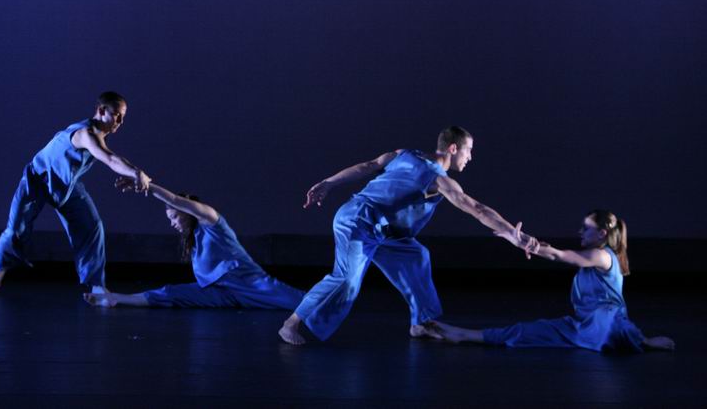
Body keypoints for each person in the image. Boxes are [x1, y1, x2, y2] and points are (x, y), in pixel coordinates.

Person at [278, 126, 532, 345]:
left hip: (385, 230)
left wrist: (329, 183)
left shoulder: (405, 154)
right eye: (469, 150)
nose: (470, 157)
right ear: (453, 149)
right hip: (358, 221)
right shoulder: (439, 180)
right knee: (346, 279)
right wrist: (512, 234)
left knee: (416, 256)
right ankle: (291, 323)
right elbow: (477, 208)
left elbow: (369, 166)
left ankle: (422, 323)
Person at [427, 211, 675, 352]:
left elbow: (562, 256)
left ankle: (642, 340)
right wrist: (530, 243)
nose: (580, 231)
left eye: (586, 228)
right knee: (526, 330)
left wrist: (529, 245)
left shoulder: (602, 256)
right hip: (581, 325)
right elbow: (553, 251)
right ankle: (465, 335)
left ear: (602, 233)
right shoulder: (595, 255)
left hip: (607, 324)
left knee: (608, 324)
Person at [0, 92, 151, 294]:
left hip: (67, 185)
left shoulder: (99, 136)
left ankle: (96, 285)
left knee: (92, 226)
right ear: (101, 110)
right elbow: (109, 159)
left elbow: (112, 157)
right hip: (37, 179)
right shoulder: (86, 134)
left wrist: (134, 173)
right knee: (16, 230)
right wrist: (135, 172)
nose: (120, 121)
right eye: (116, 115)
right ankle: (0, 267)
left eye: (123, 116)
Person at [84, 178, 305, 310]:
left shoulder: (212, 222)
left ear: (187, 212)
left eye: (174, 217)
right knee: (170, 293)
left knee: (302, 303)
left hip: (248, 283)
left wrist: (146, 186)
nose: (172, 223)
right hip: (220, 292)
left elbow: (175, 200)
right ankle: (114, 298)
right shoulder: (193, 240)